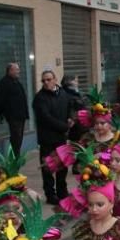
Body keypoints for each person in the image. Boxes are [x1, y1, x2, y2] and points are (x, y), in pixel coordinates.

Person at [32, 70, 73, 205]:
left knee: (62, 166)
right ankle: (50, 194)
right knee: (47, 168)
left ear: (55, 79)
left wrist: (70, 118)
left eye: (49, 79)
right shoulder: (40, 98)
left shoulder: (63, 94)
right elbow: (45, 118)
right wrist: (64, 126)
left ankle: (62, 191)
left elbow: (70, 108)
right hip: (47, 138)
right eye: (43, 80)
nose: (46, 83)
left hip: (61, 138)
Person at [0, 63, 28, 155]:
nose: (18, 71)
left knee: (19, 136)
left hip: (21, 115)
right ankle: (14, 156)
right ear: (10, 71)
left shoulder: (16, 81)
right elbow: (0, 99)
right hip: (13, 115)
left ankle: (16, 155)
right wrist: (1, 113)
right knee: (16, 137)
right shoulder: (4, 82)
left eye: (18, 69)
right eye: (16, 69)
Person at [60, 75, 88, 143]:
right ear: (69, 82)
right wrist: (73, 119)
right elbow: (70, 109)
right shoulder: (67, 94)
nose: (77, 83)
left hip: (80, 123)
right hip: (75, 125)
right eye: (75, 81)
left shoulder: (75, 93)